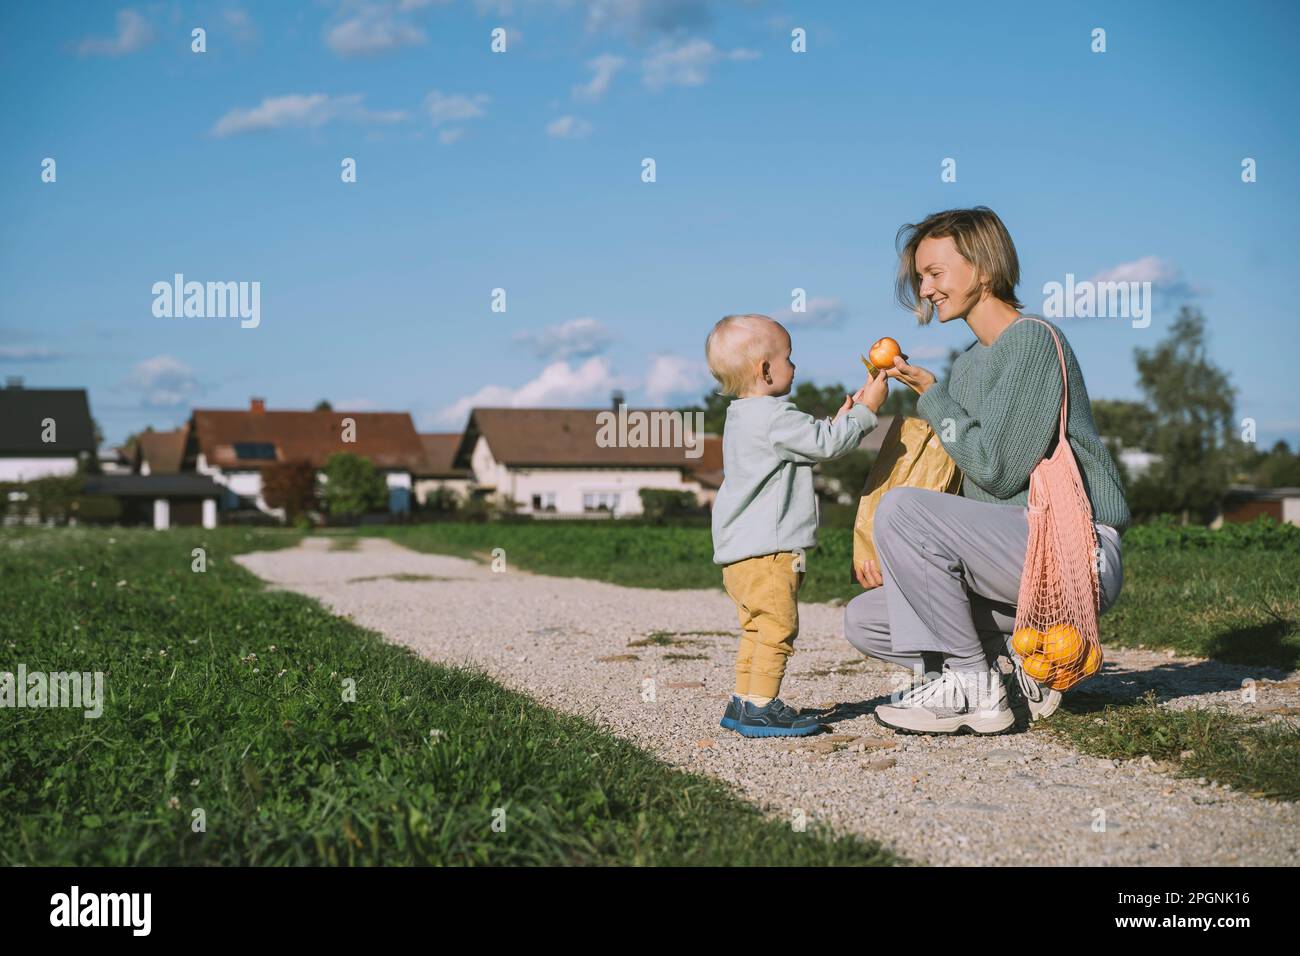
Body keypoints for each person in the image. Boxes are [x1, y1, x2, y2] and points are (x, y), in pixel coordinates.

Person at [844, 207, 1129, 735]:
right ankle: (1023, 666)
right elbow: (963, 477)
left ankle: (974, 684)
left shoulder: (1034, 342)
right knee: (864, 620)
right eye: (920, 276)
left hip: (1071, 552)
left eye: (935, 273)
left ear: (983, 268)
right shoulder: (970, 362)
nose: (925, 288)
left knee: (902, 510)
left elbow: (998, 472)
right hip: (1011, 558)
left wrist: (933, 395)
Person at [705, 313, 886, 737]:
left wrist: (842, 416)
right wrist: (866, 412)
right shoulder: (774, 415)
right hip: (769, 552)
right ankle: (763, 707)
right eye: (789, 357)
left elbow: (807, 439)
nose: (795, 365)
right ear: (764, 370)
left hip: (739, 554)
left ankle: (745, 701)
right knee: (778, 628)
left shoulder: (742, 416)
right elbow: (826, 445)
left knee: (756, 627)